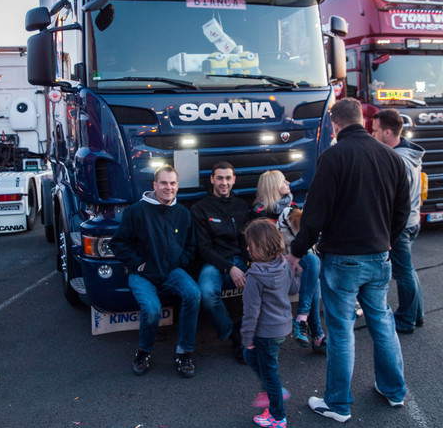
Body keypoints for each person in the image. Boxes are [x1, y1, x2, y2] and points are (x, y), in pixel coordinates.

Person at [286, 98, 410, 422]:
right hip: (379, 256)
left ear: (335, 124)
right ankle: (394, 391)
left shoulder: (333, 157)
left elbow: (314, 214)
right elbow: (402, 211)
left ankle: (338, 404)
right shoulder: (390, 157)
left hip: (343, 259)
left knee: (341, 330)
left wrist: (296, 251)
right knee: (382, 323)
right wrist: (386, 241)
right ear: (364, 122)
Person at [110, 165, 201, 378]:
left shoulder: (183, 214)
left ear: (177, 186)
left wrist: (179, 261)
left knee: (194, 294)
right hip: (142, 273)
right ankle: (144, 351)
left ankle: (184, 353)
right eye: (163, 183)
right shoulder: (136, 211)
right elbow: (118, 243)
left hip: (171, 271)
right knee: (152, 310)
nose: (168, 187)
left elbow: (191, 246)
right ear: (154, 185)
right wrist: (138, 264)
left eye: (172, 183)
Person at [251, 170, 326, 352]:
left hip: (296, 263)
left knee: (313, 268)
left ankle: (303, 321)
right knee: (313, 269)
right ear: (272, 187)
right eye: (283, 181)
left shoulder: (292, 207)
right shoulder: (259, 214)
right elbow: (261, 249)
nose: (288, 182)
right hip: (273, 265)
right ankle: (315, 333)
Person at [241, 219, 300, 428]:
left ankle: (277, 416)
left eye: (251, 244)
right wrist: (298, 273)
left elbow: (251, 312)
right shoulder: (283, 265)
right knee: (253, 358)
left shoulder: (254, 276)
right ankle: (272, 389)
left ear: (261, 246)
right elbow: (293, 289)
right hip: (281, 328)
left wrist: (247, 337)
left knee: (269, 370)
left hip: (264, 332)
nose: (247, 248)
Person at [372, 109, 425, 333]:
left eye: (374, 131)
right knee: (408, 270)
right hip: (413, 220)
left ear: (387, 132)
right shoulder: (410, 154)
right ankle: (417, 314)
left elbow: (391, 199)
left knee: (403, 273)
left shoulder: (397, 160)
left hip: (401, 225)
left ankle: (405, 320)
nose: (372, 134)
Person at [191, 161, 249, 360]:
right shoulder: (200, 208)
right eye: (220, 178)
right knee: (206, 294)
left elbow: (245, 240)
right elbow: (204, 248)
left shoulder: (242, 206)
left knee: (263, 286)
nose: (224, 182)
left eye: (228, 178)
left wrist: (250, 265)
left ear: (233, 180)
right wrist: (230, 268)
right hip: (215, 263)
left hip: (241, 260)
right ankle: (232, 336)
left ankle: (245, 331)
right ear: (212, 180)